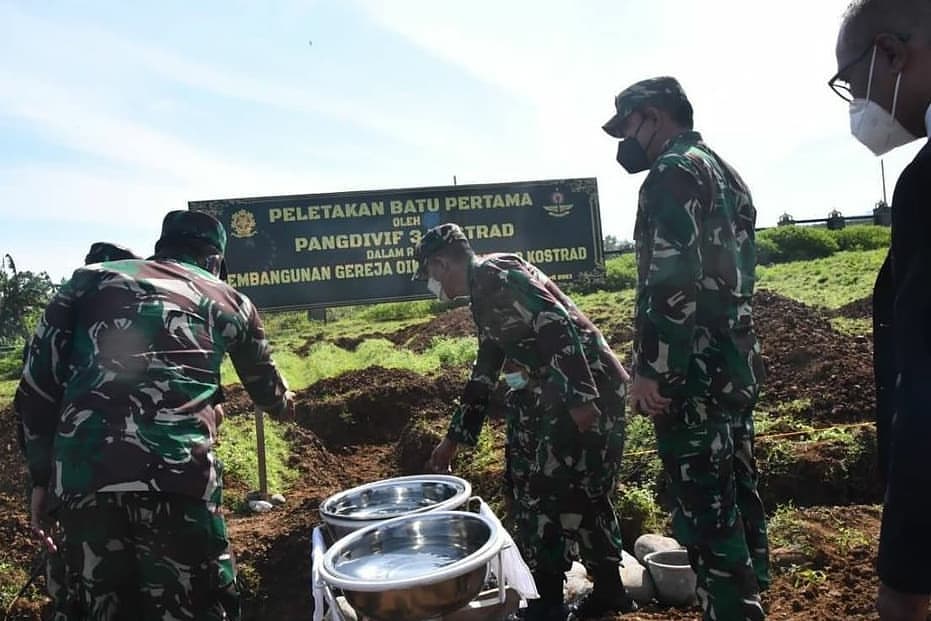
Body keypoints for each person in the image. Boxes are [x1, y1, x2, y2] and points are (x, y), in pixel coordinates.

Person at [15, 211, 293, 620]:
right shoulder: (227, 298)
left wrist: (42, 479)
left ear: (162, 247)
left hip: (84, 481)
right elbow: (270, 395)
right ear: (215, 260)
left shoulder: (87, 281)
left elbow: (37, 388)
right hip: (180, 480)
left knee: (99, 607)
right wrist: (287, 402)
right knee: (197, 607)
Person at [603, 77, 770, 620]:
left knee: (705, 509)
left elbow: (673, 282)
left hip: (691, 375)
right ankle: (746, 598)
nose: (624, 141)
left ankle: (731, 610)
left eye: (626, 126)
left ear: (652, 116)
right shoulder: (726, 172)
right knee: (737, 490)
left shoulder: (671, 173)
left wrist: (653, 372)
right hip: (732, 365)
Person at [417, 223, 635, 621]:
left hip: (591, 389)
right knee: (579, 491)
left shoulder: (495, 274)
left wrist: (580, 399)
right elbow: (485, 371)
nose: (431, 285)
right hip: (569, 392)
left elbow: (554, 321)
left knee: (547, 493)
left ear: (440, 262)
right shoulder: (482, 295)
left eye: (429, 275)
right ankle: (609, 592)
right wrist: (454, 439)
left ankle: (547, 602)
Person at [832, 2, 931, 618]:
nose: (852, 103)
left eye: (849, 80)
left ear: (892, 54)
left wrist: (904, 565)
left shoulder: (925, 183)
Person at [13, 241, 140, 620]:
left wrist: (40, 482)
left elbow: (34, 404)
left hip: (74, 476)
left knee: (79, 581)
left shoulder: (58, 324)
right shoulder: (150, 321)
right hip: (149, 477)